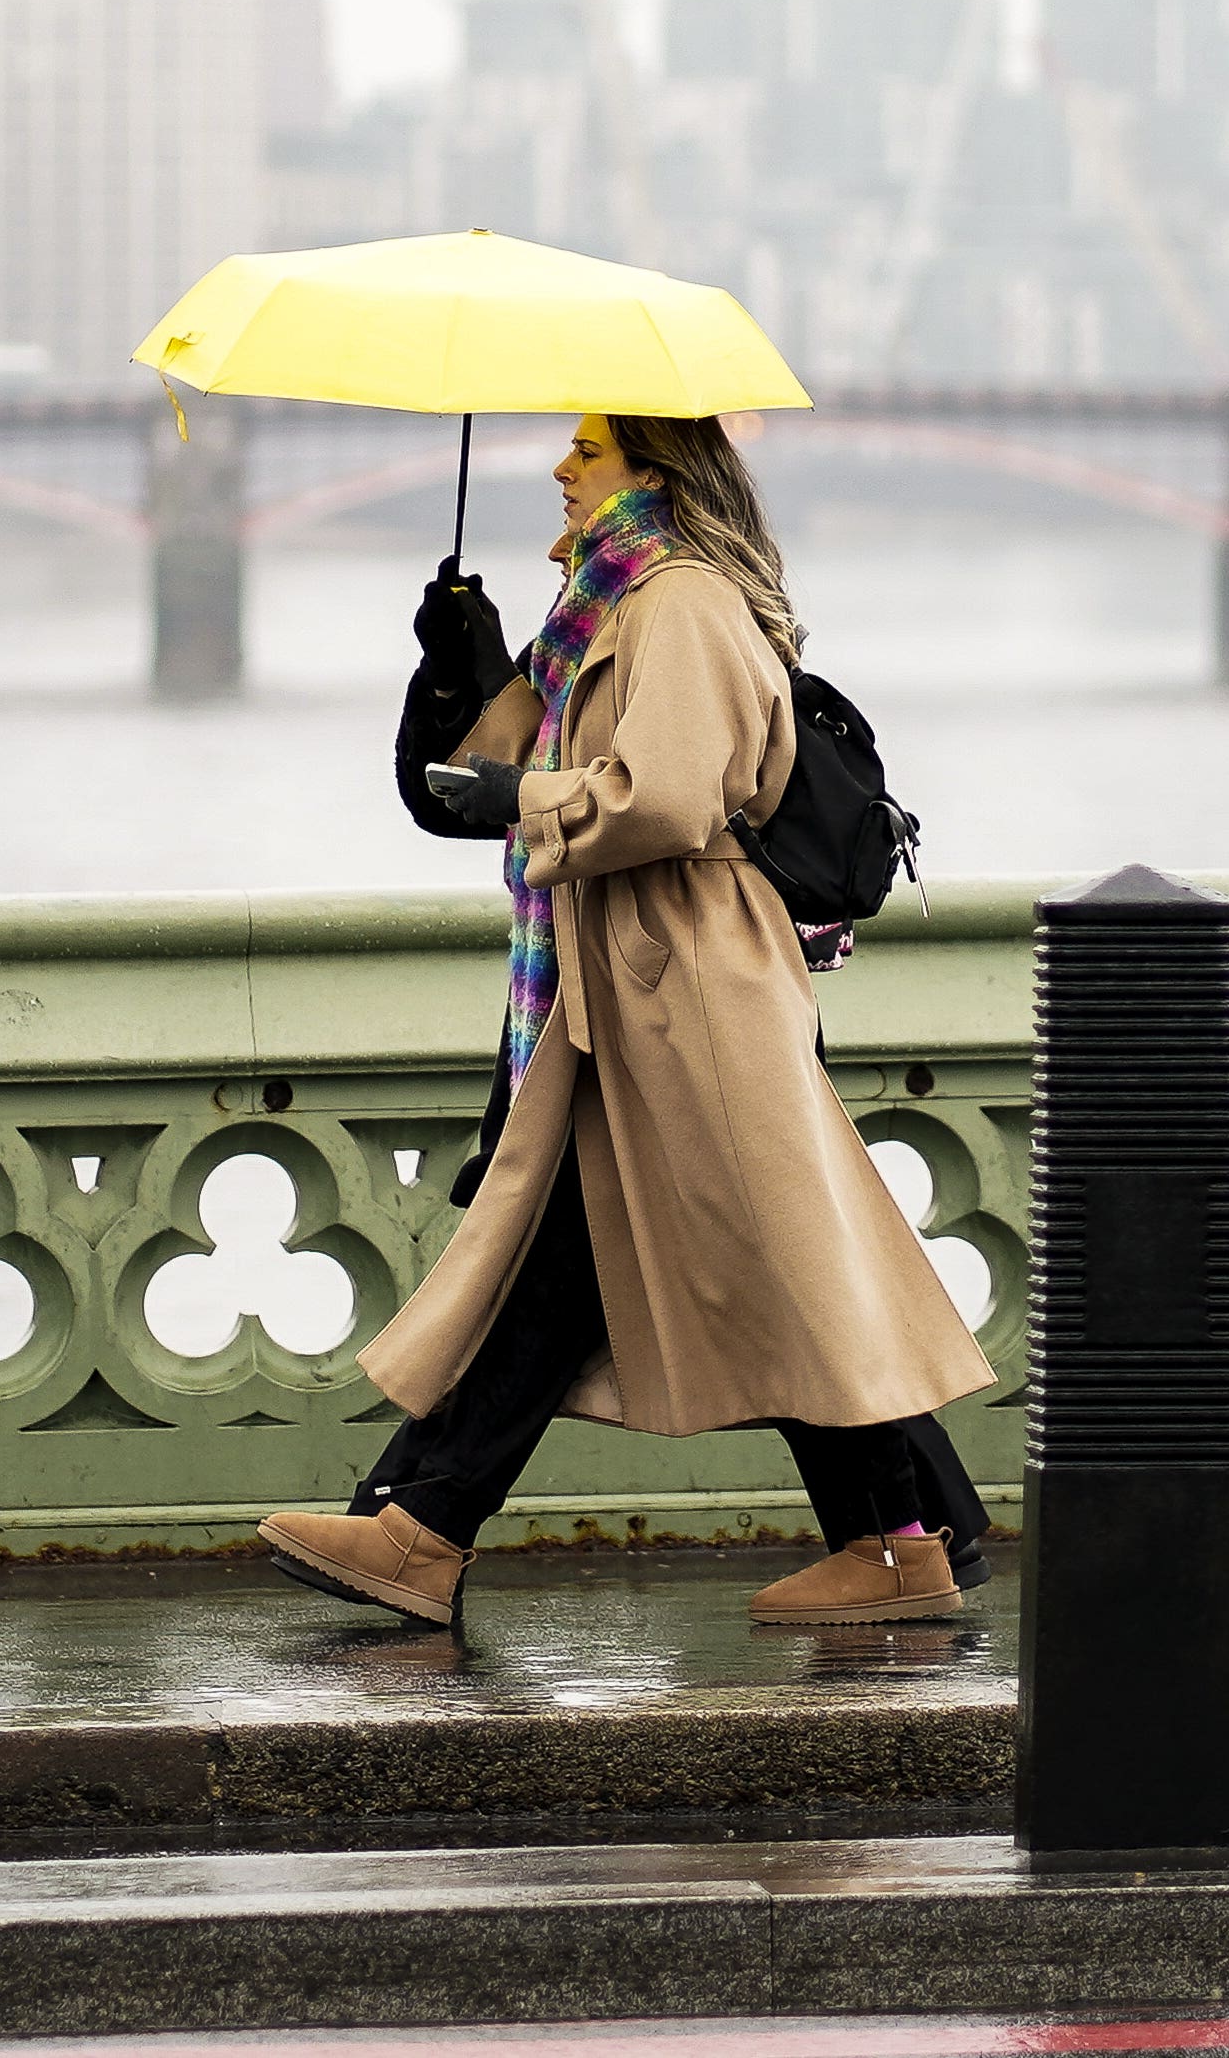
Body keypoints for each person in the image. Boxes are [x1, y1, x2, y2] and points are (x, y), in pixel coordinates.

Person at [257, 411, 994, 1632]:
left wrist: (518, 791)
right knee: (609, 1254)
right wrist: (464, 657)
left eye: (588, 451)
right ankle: (431, 1533)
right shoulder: (605, 611)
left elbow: (661, 798)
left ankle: (892, 1546)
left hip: (691, 971)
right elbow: (505, 774)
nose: (560, 468)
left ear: (653, 472)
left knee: (767, 1254)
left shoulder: (682, 602)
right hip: (632, 982)